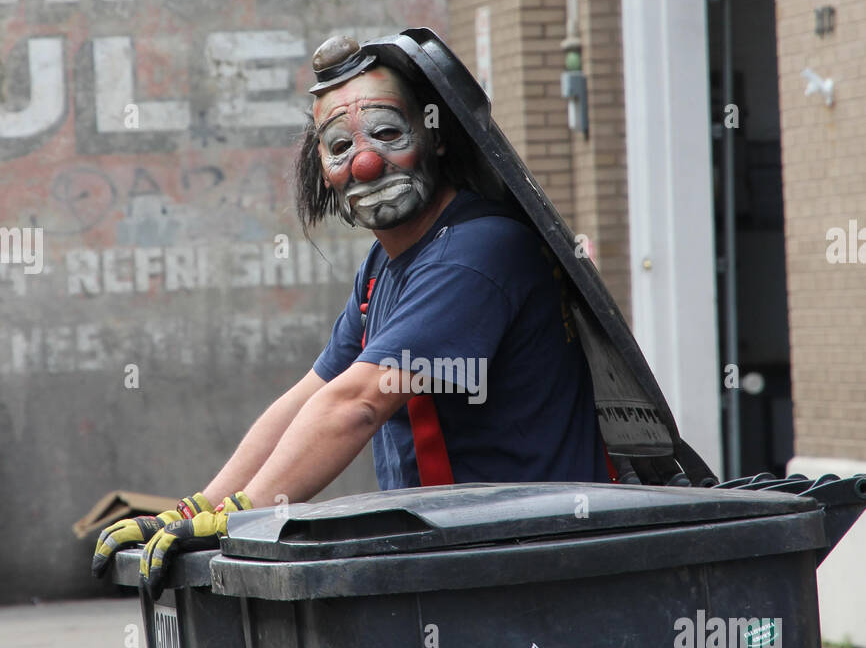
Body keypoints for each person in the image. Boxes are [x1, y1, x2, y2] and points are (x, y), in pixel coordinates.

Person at [93, 32, 609, 598]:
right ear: (322, 166)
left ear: (434, 137)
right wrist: (202, 509)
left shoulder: (475, 254)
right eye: (339, 147)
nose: (365, 162)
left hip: (527, 569)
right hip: (464, 559)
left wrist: (247, 512)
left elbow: (357, 403)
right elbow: (313, 395)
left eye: (388, 133)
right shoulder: (383, 270)